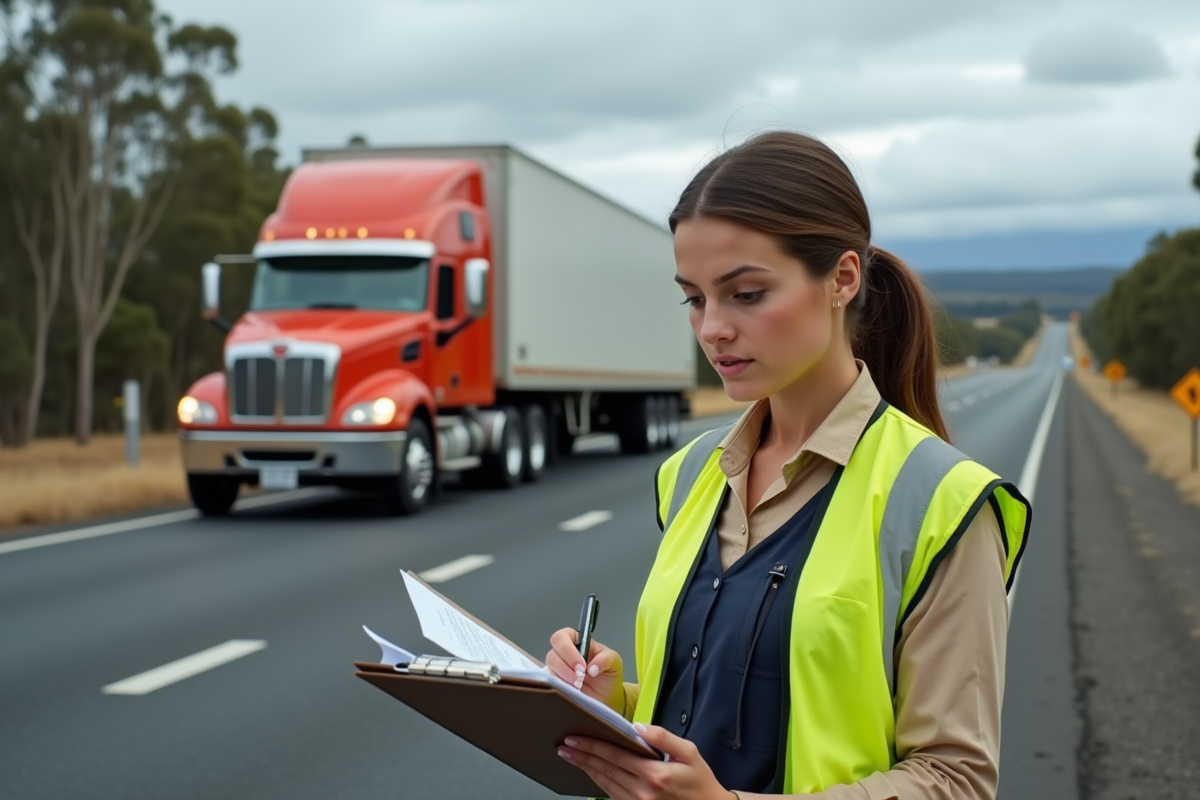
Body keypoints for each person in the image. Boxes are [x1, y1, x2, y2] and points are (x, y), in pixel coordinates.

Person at [546, 131, 1031, 800]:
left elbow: (956, 781)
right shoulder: (689, 474)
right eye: (694, 298)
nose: (712, 328)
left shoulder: (943, 503)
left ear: (842, 279)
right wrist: (615, 704)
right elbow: (719, 711)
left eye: (746, 294)